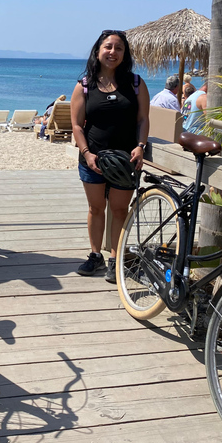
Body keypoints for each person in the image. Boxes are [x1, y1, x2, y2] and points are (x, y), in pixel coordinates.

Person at [71, 30, 150, 283]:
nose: (112, 52)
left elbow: (143, 119)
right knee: (95, 208)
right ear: (98, 51)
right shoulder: (85, 85)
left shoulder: (136, 83)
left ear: (125, 54)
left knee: (119, 210)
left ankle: (115, 259)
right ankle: (96, 255)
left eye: (118, 48)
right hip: (92, 159)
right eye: (108, 47)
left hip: (126, 160)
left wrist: (140, 146)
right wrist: (86, 153)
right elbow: (76, 125)